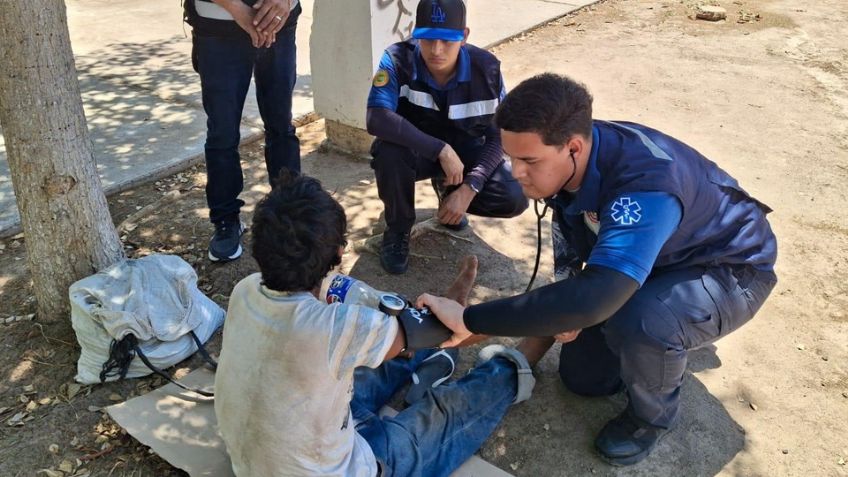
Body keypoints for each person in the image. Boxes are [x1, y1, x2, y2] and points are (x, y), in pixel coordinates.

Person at [418, 73, 779, 466]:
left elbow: (597, 295)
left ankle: (651, 418)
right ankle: (655, 342)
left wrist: (471, 318)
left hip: (727, 266)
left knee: (643, 323)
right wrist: (569, 295)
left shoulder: (644, 187)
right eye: (510, 157)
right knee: (584, 380)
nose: (515, 172)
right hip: (661, 257)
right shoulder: (575, 156)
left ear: (573, 146)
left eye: (528, 160)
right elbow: (572, 231)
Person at [214, 171, 541, 477]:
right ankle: (523, 358)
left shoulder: (247, 289)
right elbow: (453, 332)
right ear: (340, 253)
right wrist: (529, 316)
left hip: (253, 462)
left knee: (371, 357)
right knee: (444, 416)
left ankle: (437, 336)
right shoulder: (338, 329)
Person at [366, 0, 528, 275]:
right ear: (416, 33)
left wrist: (470, 187)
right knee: (388, 151)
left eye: (447, 40)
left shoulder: (487, 69)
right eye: (427, 39)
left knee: (514, 195)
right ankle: (398, 229)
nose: (436, 50)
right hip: (419, 152)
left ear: (464, 36)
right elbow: (376, 118)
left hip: (466, 153)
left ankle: (449, 191)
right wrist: (440, 149)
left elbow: (498, 135)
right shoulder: (396, 59)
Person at [183, 0, 302, 262]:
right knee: (222, 133)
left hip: (279, 20)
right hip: (217, 26)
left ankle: (289, 214)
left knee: (281, 124)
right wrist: (237, 9)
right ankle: (226, 221)